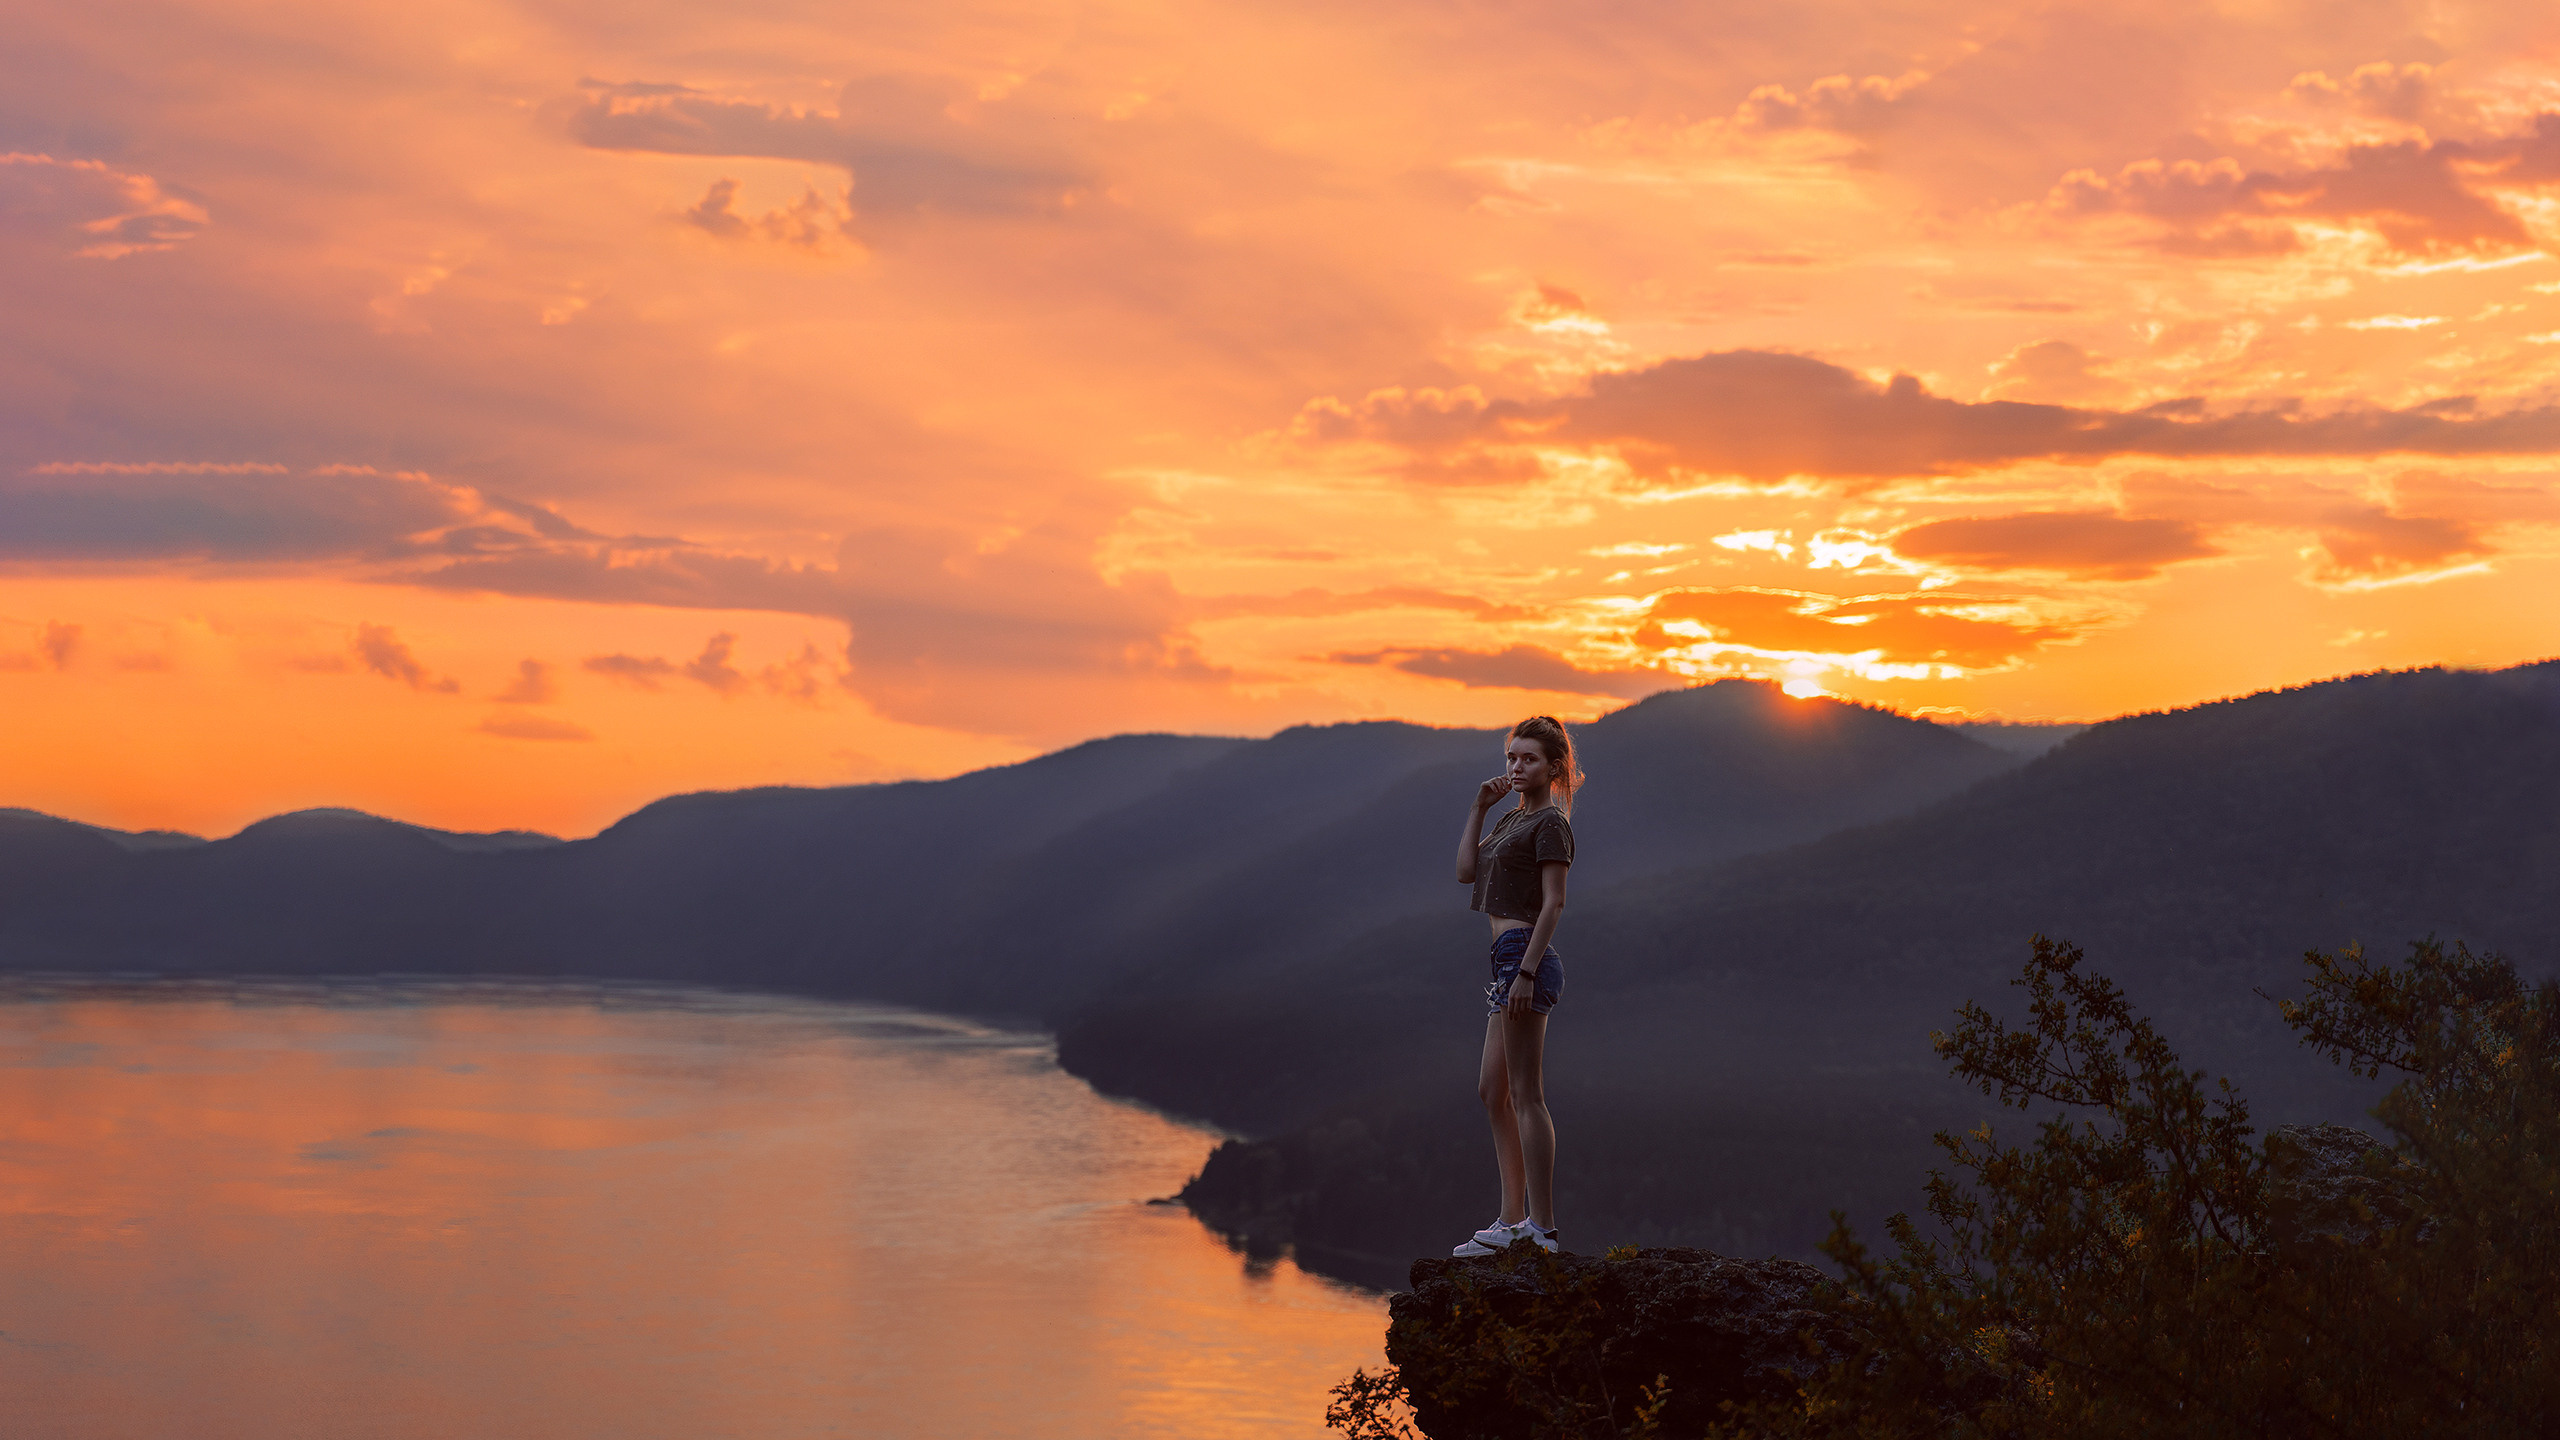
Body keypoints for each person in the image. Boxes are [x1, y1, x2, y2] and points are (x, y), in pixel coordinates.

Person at [1449, 715, 1577, 1256]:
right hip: (1504, 960)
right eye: (1511, 758)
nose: (1517, 767)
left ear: (1554, 767)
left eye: (1529, 759)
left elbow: (1554, 903)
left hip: (1524, 959)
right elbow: (1464, 872)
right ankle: (1510, 1221)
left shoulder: (1551, 823)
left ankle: (1541, 1230)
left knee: (1527, 1094)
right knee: (1491, 1091)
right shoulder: (1507, 819)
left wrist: (1525, 970)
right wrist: (1478, 807)